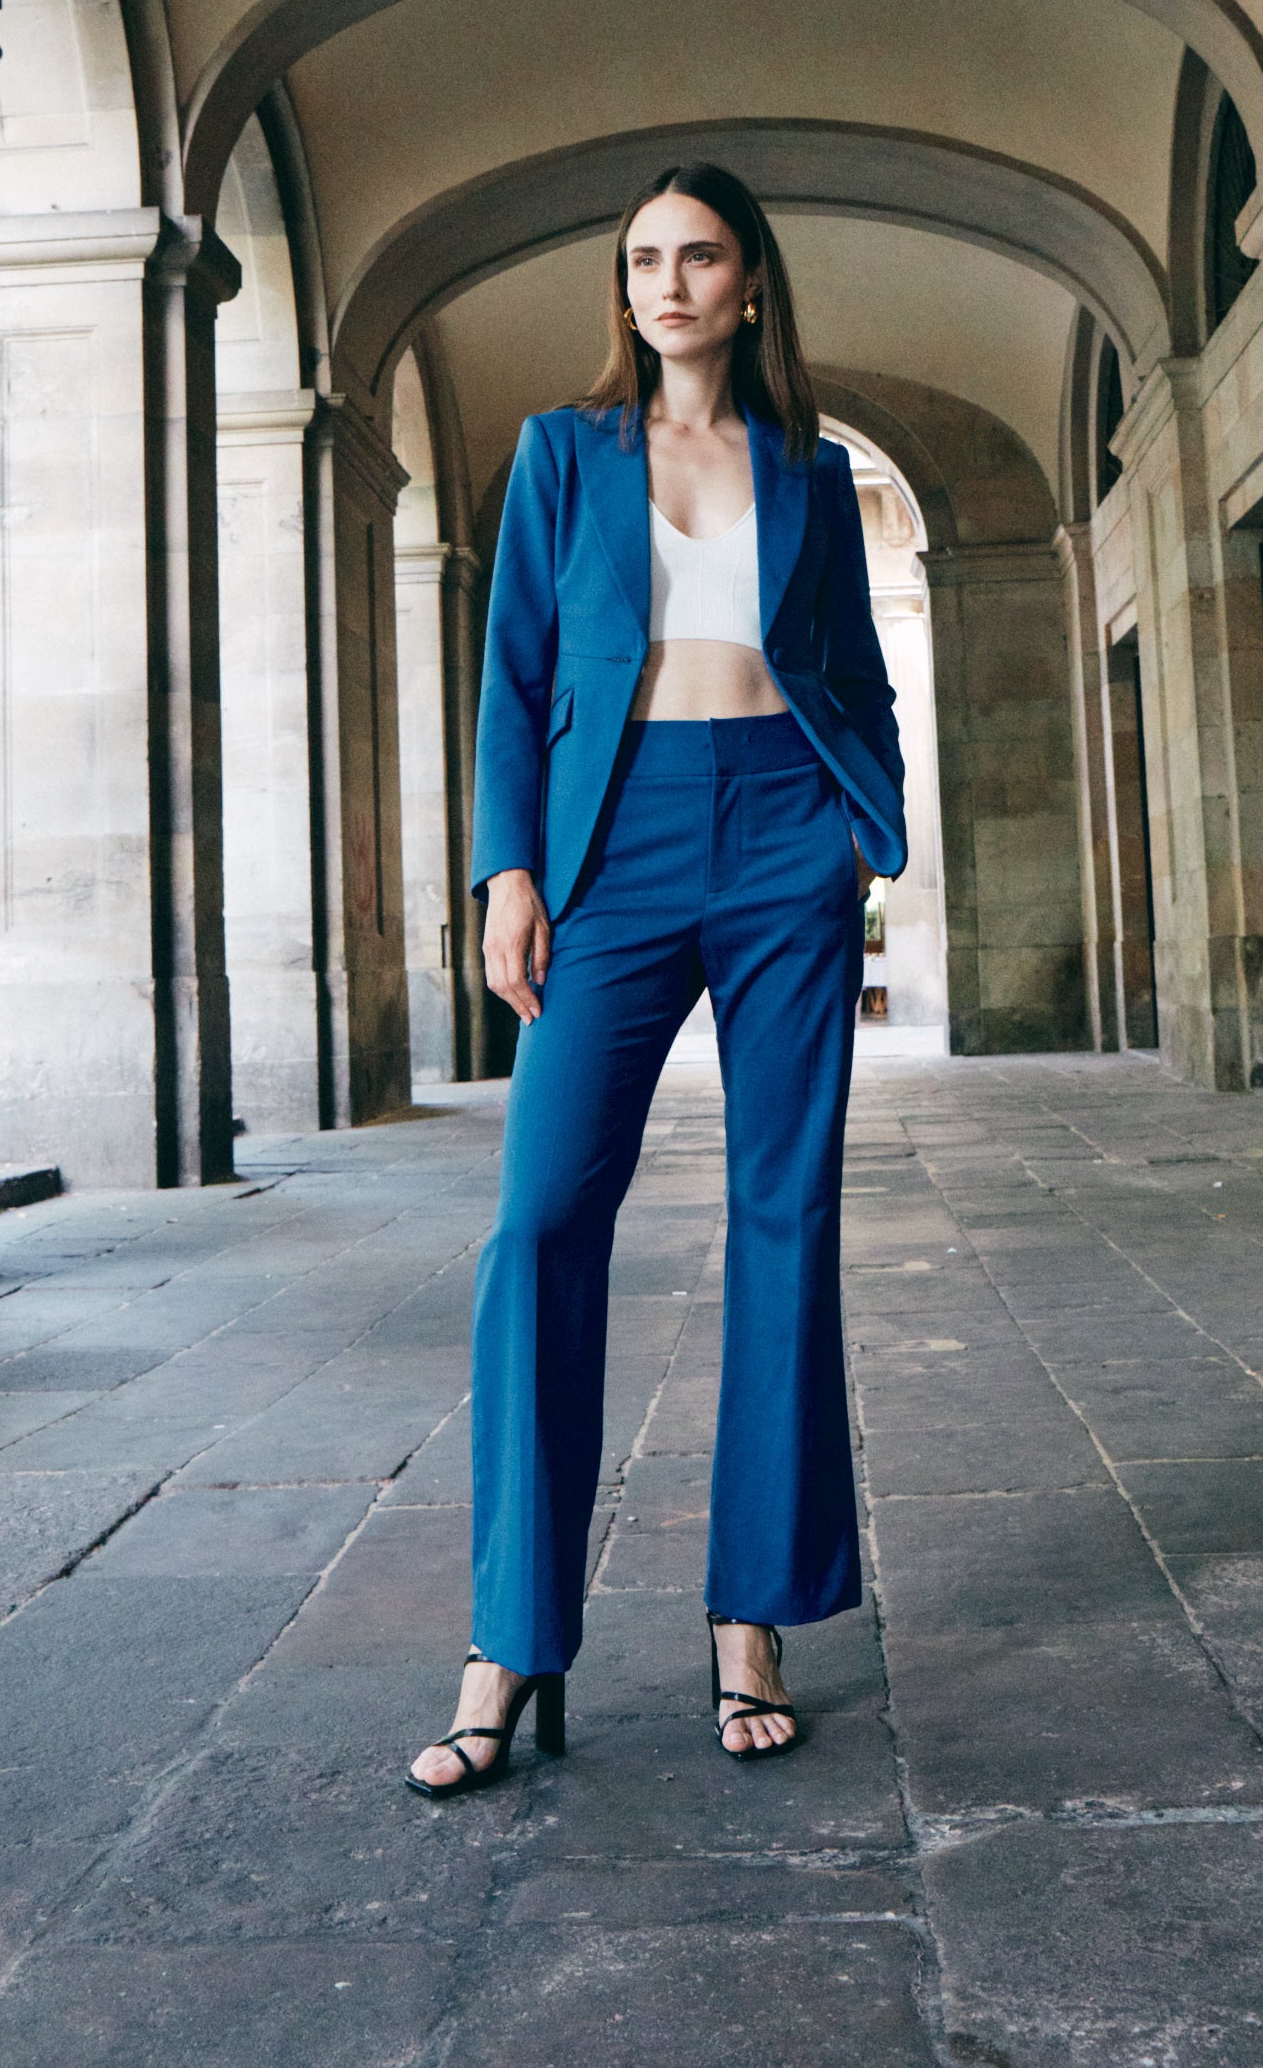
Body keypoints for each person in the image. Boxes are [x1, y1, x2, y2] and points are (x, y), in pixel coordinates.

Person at [407, 161, 906, 1796]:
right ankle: (511, 1632)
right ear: (621, 289)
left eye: (700, 255)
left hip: (781, 834)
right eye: (643, 258)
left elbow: (857, 674)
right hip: (610, 843)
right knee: (542, 1217)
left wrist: (861, 835)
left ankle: (750, 1617)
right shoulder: (564, 454)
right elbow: (517, 677)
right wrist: (508, 869)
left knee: (786, 1216)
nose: (668, 281)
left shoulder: (814, 473)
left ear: (752, 282)